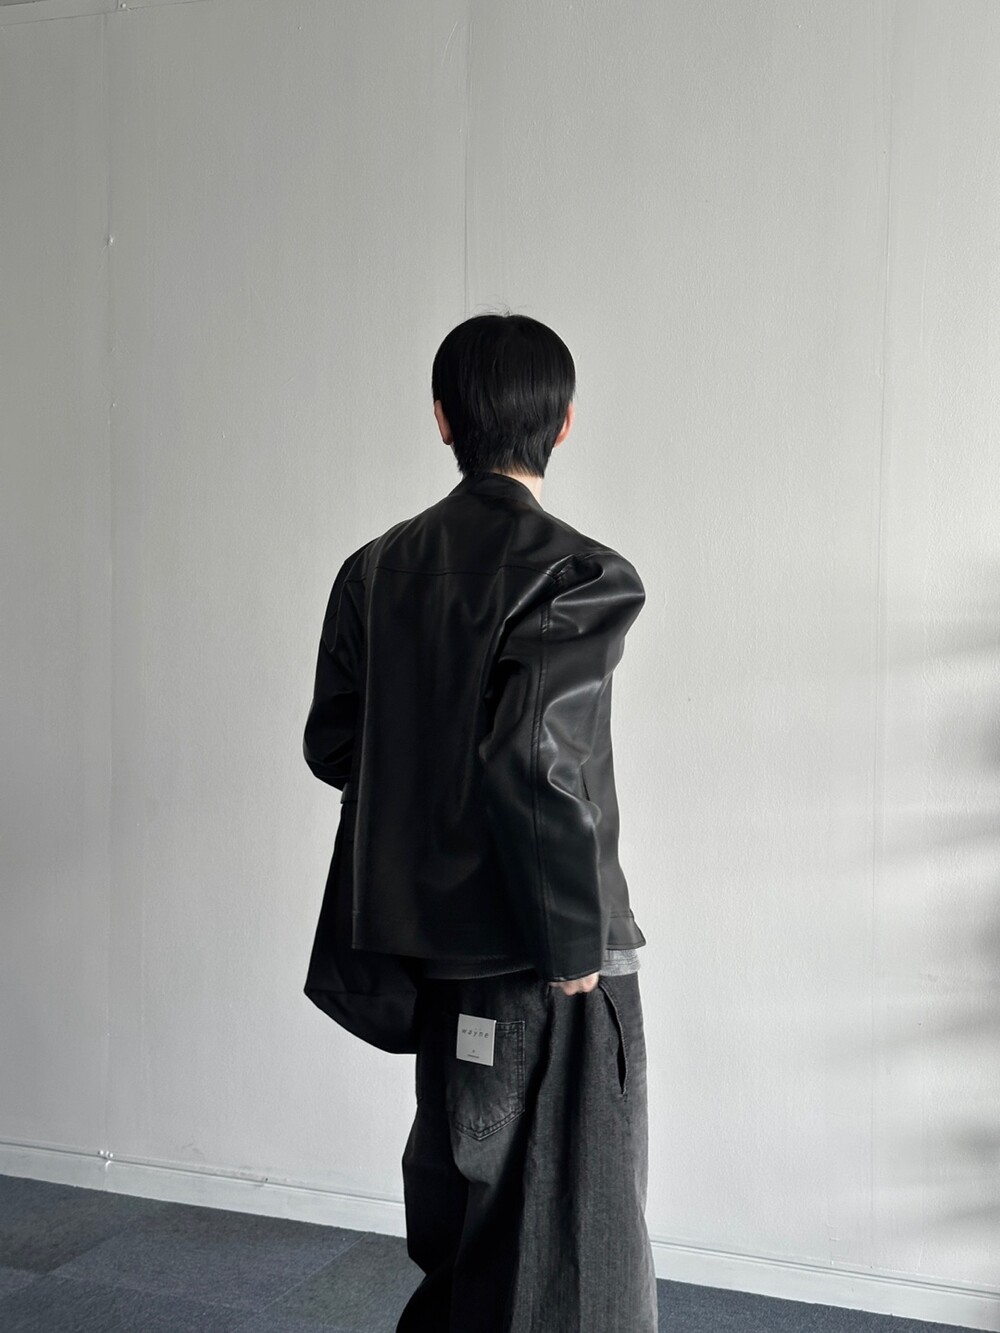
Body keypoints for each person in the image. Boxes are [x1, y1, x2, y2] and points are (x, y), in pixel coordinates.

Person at [302, 311, 657, 1332]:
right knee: (572, 1256)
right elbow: (536, 760)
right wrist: (575, 945)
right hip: (546, 956)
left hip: (432, 955)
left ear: (442, 418)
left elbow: (335, 745)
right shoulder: (580, 572)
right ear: (565, 421)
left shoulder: (373, 567)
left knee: (462, 1216)